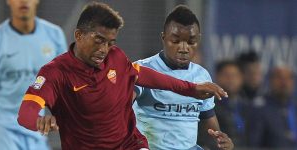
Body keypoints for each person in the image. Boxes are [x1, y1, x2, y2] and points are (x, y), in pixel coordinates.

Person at [17, 2, 227, 150]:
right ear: (79, 35)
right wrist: (38, 121)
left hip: (131, 145)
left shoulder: (116, 57)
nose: (104, 49)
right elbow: (25, 112)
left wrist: (191, 88)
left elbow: (146, 76)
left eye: (110, 42)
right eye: (99, 40)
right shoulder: (55, 73)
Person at [132, 5, 233, 150]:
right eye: (176, 41)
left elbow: (213, 131)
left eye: (191, 42)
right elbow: (120, 113)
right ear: (163, 37)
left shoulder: (202, 75)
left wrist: (223, 142)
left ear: (199, 40)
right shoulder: (141, 70)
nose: (184, 48)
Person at [0, 0, 67, 149]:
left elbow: (64, 85)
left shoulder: (54, 35)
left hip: (36, 130)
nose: (23, 1)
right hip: (3, 130)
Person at [249, 65, 297, 148]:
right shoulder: (259, 108)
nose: (284, 82)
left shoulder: (294, 106)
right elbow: (254, 143)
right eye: (279, 77)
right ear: (270, 80)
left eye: (288, 78)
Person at [212, 60, 250, 147]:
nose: (231, 79)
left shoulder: (249, 107)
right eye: (226, 75)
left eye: (235, 75)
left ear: (242, 78)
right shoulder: (210, 107)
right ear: (217, 77)